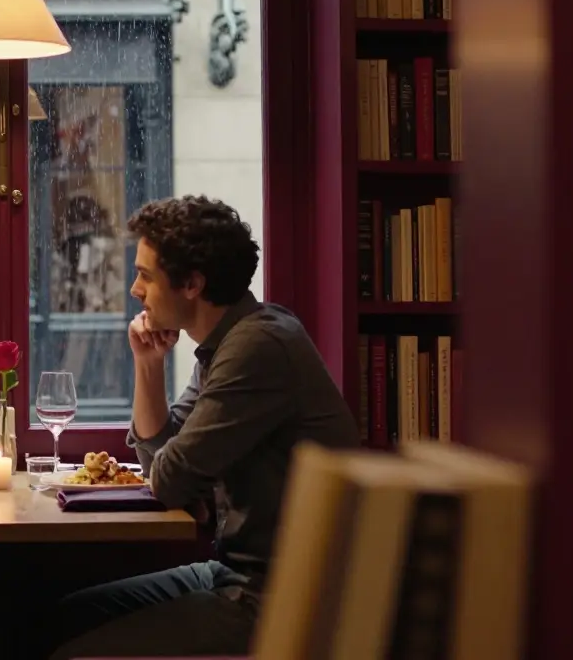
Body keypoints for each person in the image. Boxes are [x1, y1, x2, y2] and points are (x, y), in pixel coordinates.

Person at [46, 195, 360, 659]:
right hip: (233, 573)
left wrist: (168, 467)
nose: (134, 289)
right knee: (61, 618)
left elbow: (170, 481)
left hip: (281, 598)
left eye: (145, 276)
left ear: (192, 284)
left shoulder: (257, 347)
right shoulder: (226, 343)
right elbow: (162, 463)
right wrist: (148, 366)